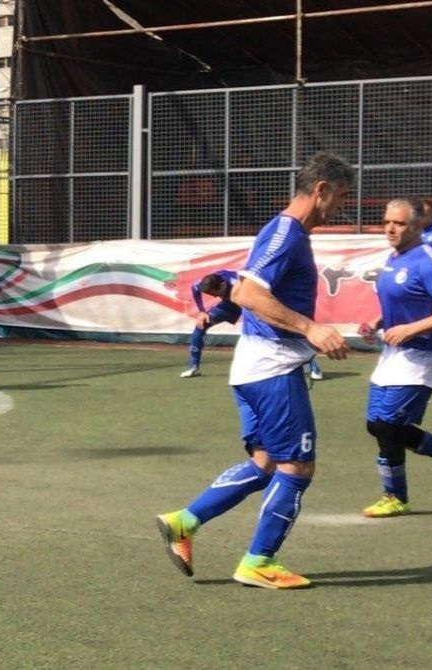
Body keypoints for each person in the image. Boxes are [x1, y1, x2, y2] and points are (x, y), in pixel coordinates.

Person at [156, 151, 354, 590]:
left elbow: (243, 291)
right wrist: (311, 328)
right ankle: (259, 561)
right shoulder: (287, 233)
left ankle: (184, 522)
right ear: (320, 189)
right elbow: (249, 295)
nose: (341, 207)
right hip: (272, 367)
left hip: (255, 365)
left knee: (265, 462)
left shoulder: (286, 233)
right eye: (341, 197)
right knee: (297, 467)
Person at [356, 197, 432, 517]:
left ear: (417, 225)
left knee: (388, 425)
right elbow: (402, 302)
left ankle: (395, 497)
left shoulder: (427, 260)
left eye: (398, 223)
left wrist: (411, 329)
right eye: (386, 222)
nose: (390, 228)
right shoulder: (394, 257)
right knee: (377, 425)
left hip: (422, 356)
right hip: (393, 354)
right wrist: (377, 322)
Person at [181, 270, 323, 381]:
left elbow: (260, 296)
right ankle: (194, 366)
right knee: (201, 325)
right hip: (230, 304)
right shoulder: (207, 283)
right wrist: (202, 311)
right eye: (209, 294)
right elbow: (195, 288)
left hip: (249, 301)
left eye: (215, 293)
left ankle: (313, 366)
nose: (213, 296)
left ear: (223, 285)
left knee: (277, 330)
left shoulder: (239, 283)